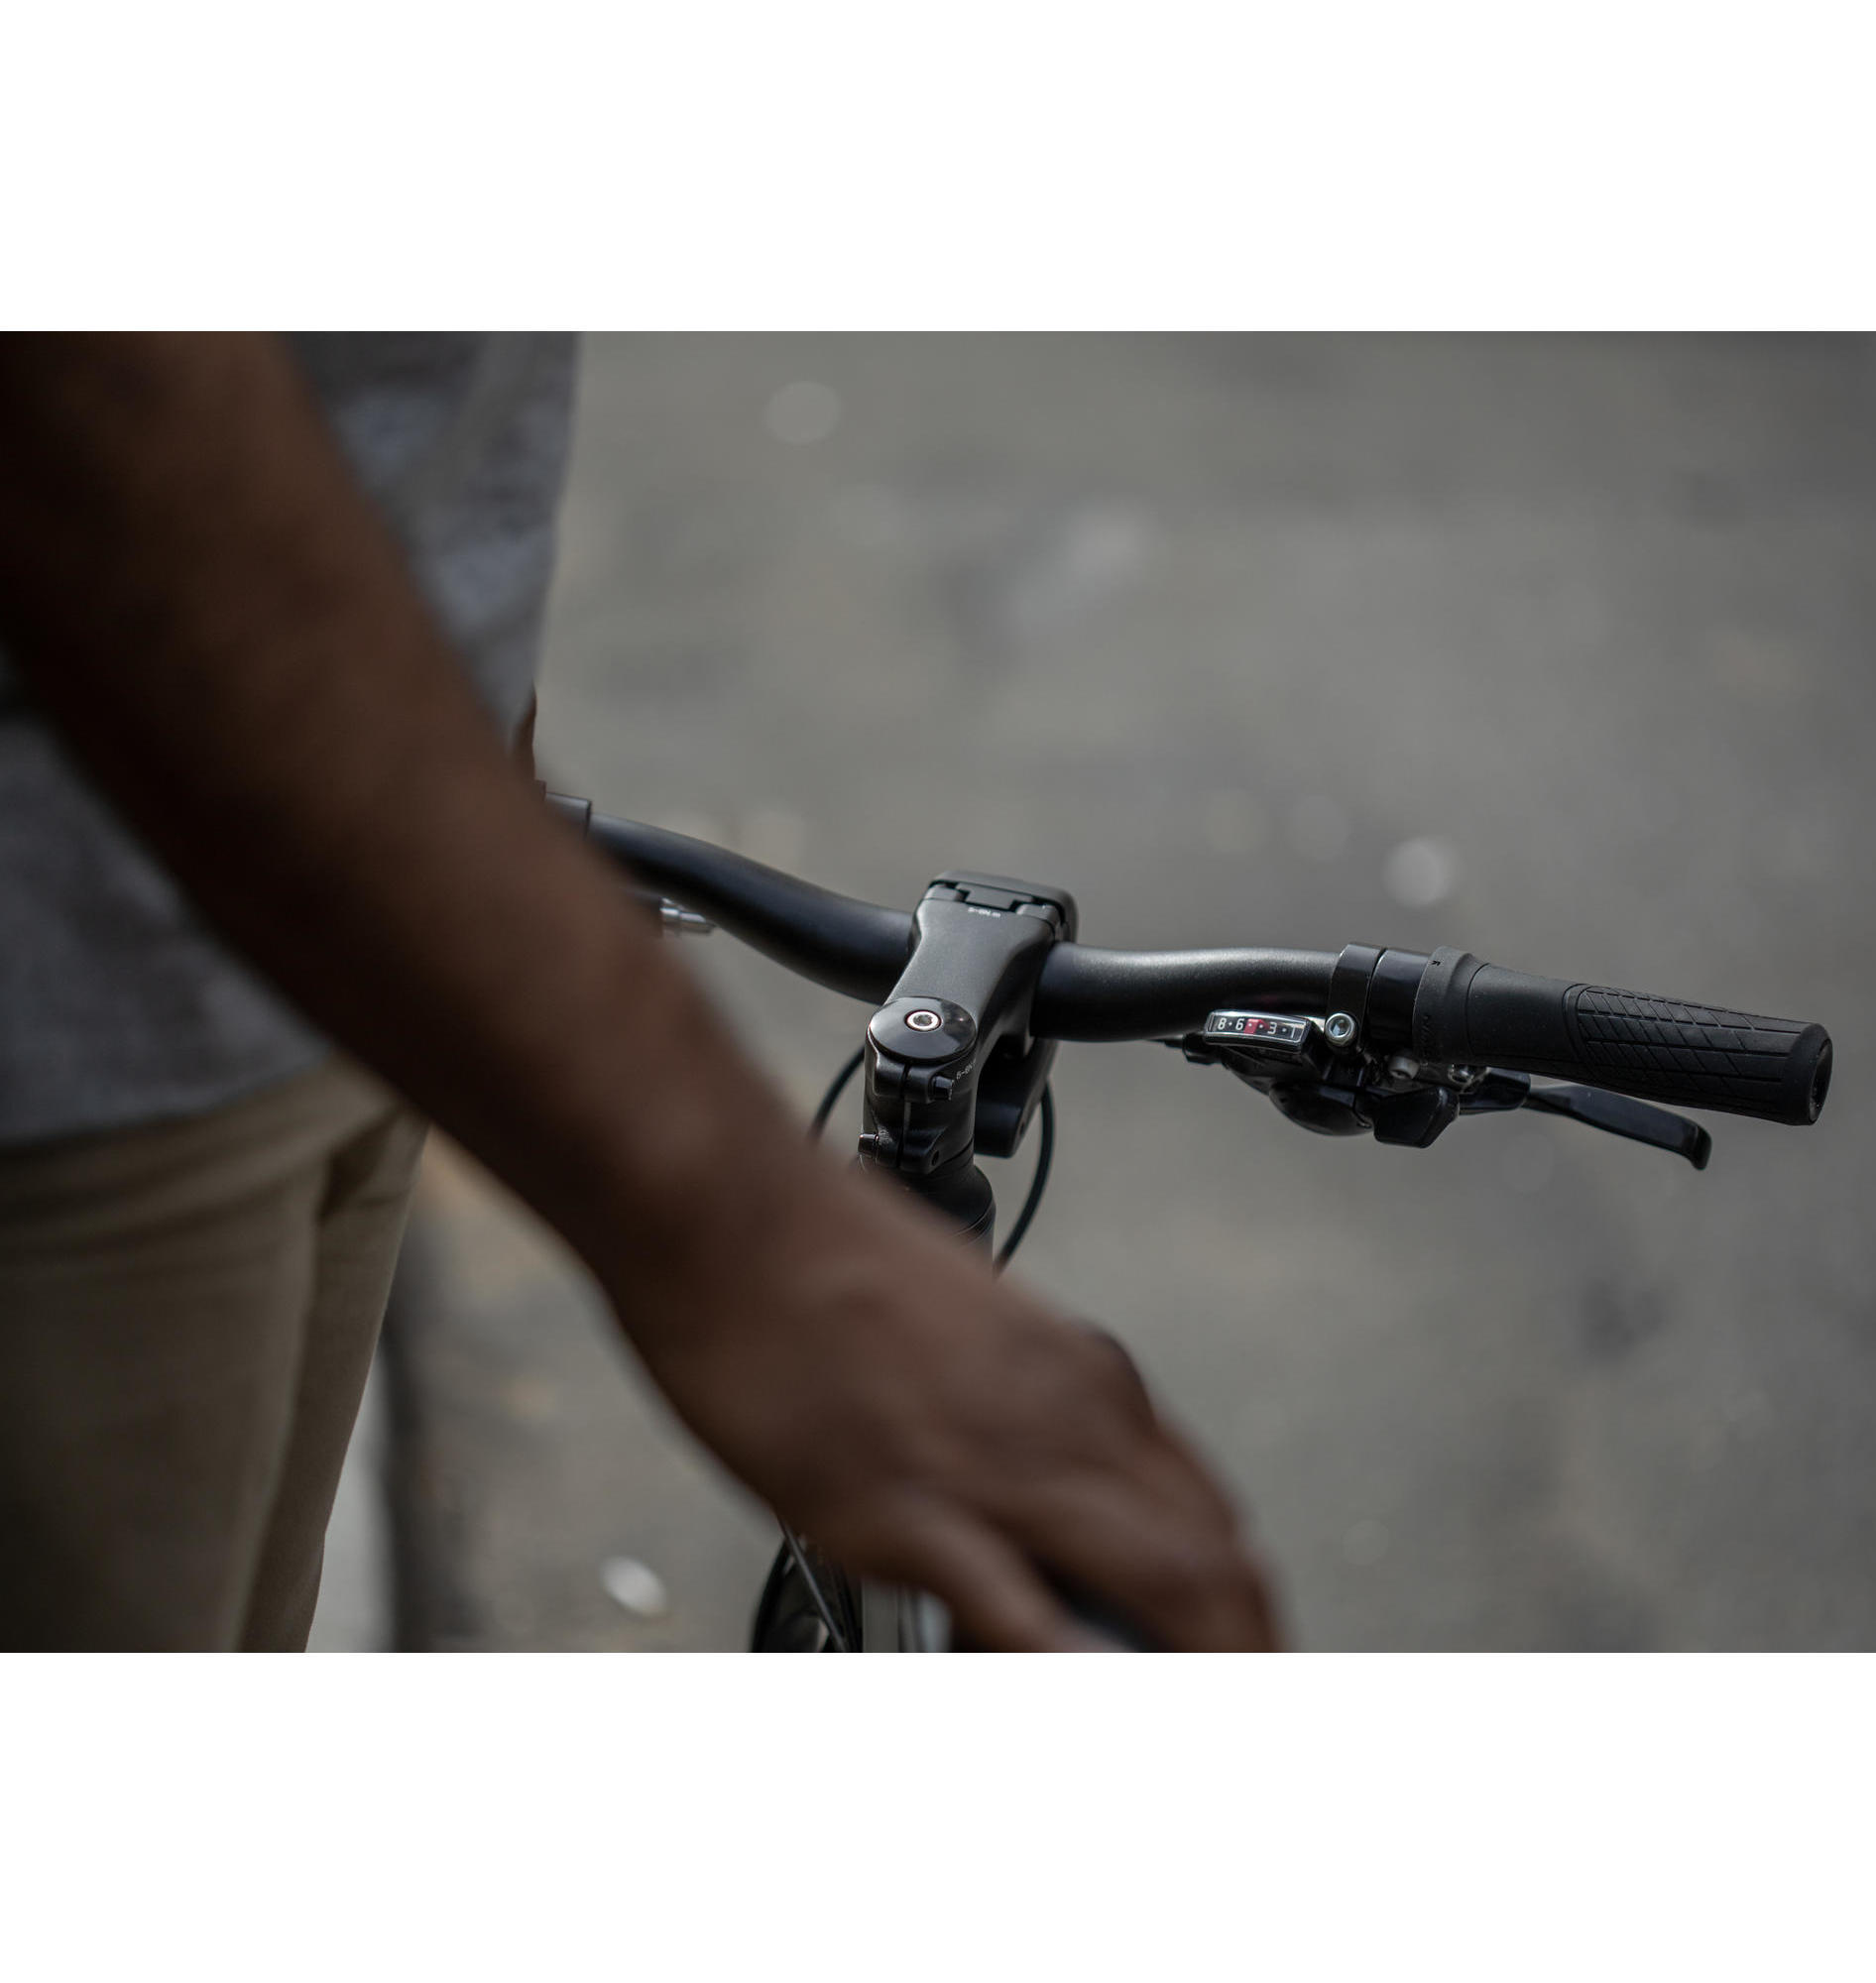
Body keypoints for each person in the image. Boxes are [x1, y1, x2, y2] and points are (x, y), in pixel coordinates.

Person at [0, 333, 1278, 1652]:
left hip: (349, 936)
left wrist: (479, 795)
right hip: (81, 1037)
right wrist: (753, 1234)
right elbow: (83, 402)